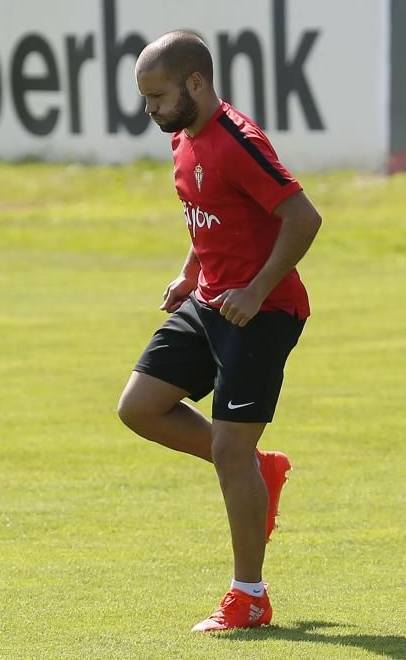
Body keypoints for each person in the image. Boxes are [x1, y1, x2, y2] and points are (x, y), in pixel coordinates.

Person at [118, 31, 322, 633]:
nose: (150, 109)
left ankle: (249, 597)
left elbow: (303, 218)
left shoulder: (238, 141)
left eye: (157, 96)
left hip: (262, 312)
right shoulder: (182, 135)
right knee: (140, 408)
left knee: (230, 453)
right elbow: (209, 216)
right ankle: (260, 469)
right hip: (209, 301)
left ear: (197, 84)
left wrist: (256, 290)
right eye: (145, 98)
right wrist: (189, 273)